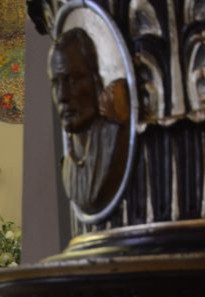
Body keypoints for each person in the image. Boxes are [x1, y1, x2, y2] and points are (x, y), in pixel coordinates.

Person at [50, 27, 129, 216]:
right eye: (56, 83)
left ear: (96, 80)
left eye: (73, 79)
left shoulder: (114, 139)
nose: (62, 95)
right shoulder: (68, 161)